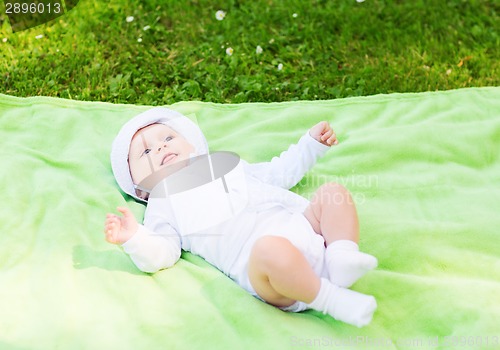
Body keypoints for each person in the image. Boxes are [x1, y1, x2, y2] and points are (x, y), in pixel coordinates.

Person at [104, 108, 378, 328]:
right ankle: (331, 299)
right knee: (271, 248)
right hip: (269, 273)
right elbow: (161, 251)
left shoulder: (227, 168)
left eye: (167, 138)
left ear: (193, 144)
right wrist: (135, 238)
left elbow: (278, 172)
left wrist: (310, 145)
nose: (161, 149)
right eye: (146, 153)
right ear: (139, 186)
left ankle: (342, 256)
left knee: (333, 194)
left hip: (307, 229)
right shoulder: (163, 203)